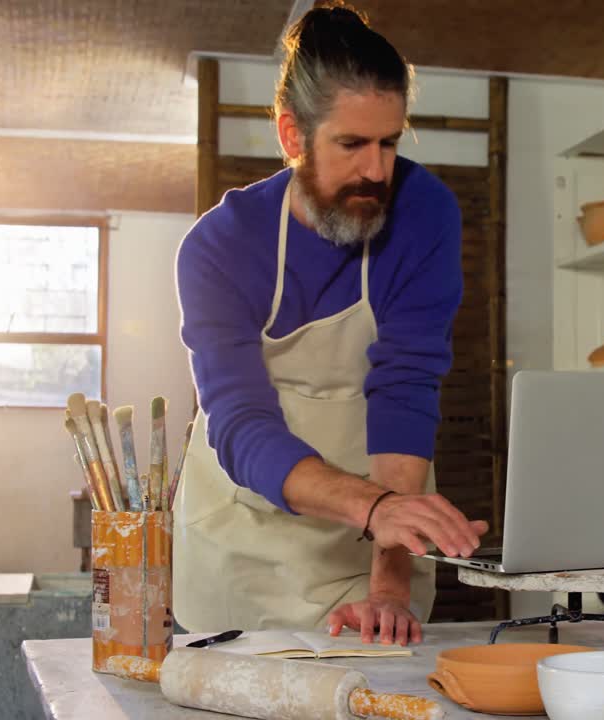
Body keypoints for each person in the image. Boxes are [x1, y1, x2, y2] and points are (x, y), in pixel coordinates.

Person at [172, 3, 487, 647]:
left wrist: (390, 584)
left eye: (390, 142)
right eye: (351, 144)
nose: (376, 171)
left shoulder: (424, 214)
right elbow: (239, 423)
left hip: (368, 546)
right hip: (242, 532)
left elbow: (406, 390)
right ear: (292, 136)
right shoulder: (219, 246)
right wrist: (374, 507)